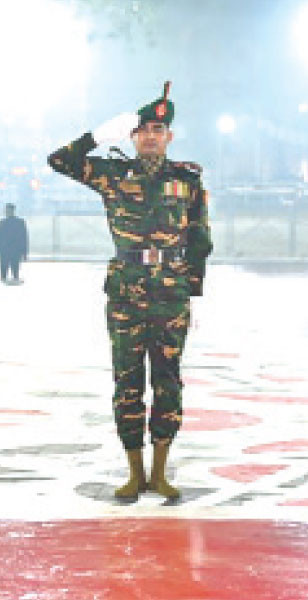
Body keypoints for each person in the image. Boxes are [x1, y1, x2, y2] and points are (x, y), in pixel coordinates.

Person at [47, 82, 213, 500]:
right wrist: (97, 138)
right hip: (125, 293)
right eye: (143, 130)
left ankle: (160, 471)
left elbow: (199, 238)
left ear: (169, 136)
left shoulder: (187, 180)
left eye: (159, 130)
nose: (151, 136)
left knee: (169, 382)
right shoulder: (112, 174)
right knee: (127, 381)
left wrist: (189, 287)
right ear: (133, 137)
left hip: (170, 296)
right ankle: (134, 471)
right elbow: (59, 161)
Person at [0, 203, 28, 284]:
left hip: (13, 251)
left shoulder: (19, 223)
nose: (7, 212)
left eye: (8, 210)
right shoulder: (2, 223)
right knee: (4, 274)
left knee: (15, 273)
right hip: (6, 251)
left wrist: (25, 253)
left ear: (13, 211)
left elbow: (24, 238)